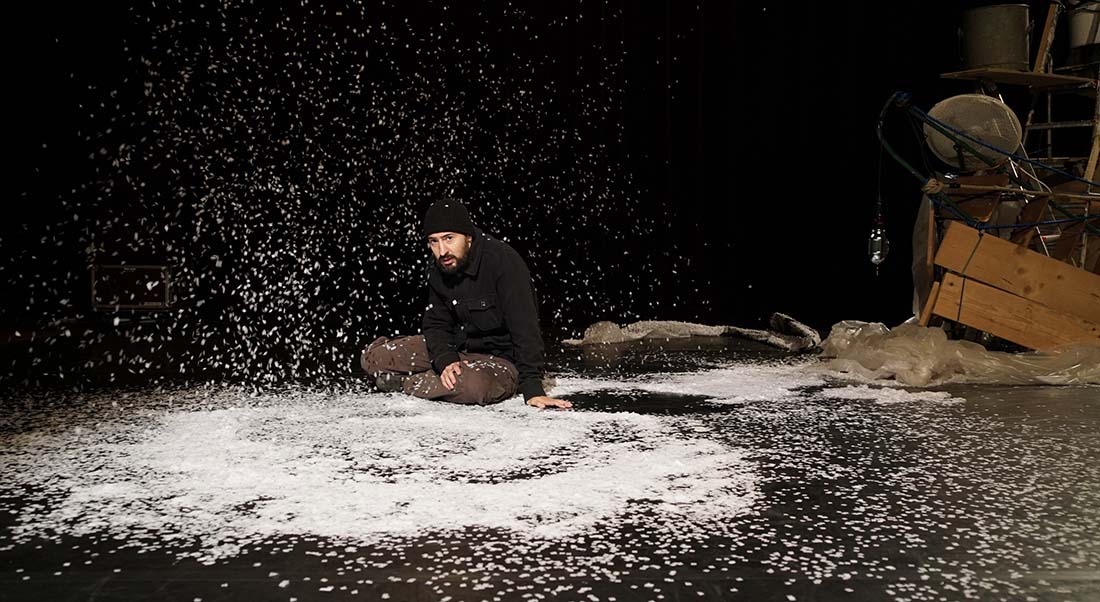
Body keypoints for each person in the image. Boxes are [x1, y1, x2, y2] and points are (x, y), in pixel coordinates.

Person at [360, 199, 572, 410]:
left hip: (499, 361)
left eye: (449, 238)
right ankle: (432, 373)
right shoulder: (440, 264)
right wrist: (445, 359)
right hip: (458, 349)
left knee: (473, 386)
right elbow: (436, 323)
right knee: (374, 359)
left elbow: (525, 329)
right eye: (434, 241)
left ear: (468, 237)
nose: (442, 251)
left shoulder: (503, 262)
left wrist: (533, 388)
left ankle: (404, 382)